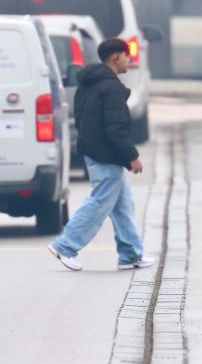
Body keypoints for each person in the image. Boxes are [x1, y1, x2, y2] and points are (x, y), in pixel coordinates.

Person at [49, 39, 154, 272]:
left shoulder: (87, 84)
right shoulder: (111, 88)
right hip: (106, 154)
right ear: (116, 57)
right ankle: (65, 246)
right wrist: (131, 155)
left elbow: (81, 117)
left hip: (94, 150)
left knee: (122, 205)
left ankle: (130, 255)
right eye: (126, 56)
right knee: (99, 202)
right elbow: (116, 127)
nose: (129, 60)